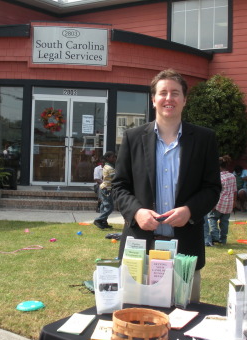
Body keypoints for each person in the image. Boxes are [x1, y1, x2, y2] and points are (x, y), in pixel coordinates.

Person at [112, 69, 221, 302]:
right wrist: (137, 212)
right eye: (162, 93)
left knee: (185, 318)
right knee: (138, 320)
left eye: (175, 93)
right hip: (140, 248)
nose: (168, 98)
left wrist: (189, 211)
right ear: (153, 99)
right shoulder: (132, 138)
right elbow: (119, 186)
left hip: (185, 251)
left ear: (184, 99)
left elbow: (212, 188)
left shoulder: (204, 139)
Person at [207, 155, 237, 246]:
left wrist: (212, 204)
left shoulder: (218, 177)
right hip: (228, 204)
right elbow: (235, 191)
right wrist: (234, 202)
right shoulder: (232, 176)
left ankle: (215, 237)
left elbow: (215, 192)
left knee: (212, 219)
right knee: (225, 222)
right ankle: (223, 239)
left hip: (218, 203)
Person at [94, 151, 116, 229]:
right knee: (110, 207)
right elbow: (115, 179)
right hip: (106, 189)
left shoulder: (106, 166)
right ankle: (98, 220)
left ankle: (103, 222)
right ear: (108, 158)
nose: (114, 158)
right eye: (112, 157)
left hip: (104, 188)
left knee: (104, 206)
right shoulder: (109, 167)